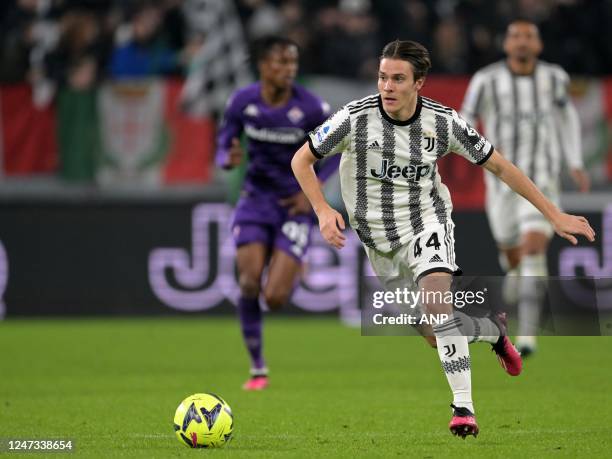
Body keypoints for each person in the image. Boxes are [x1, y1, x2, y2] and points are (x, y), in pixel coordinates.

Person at [291, 39, 595, 437]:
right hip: (378, 242)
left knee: (438, 303)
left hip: (427, 224)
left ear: (419, 82)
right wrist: (322, 210)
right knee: (436, 335)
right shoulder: (354, 118)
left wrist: (554, 214)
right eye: (383, 77)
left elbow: (500, 167)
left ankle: (463, 409)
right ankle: (492, 331)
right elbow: (302, 159)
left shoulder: (443, 122)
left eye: (398, 79)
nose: (387, 86)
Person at [460, 19, 590, 356]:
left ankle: (528, 336)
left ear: (538, 45)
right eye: (515, 36)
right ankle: (516, 280)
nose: (521, 42)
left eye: (528, 37)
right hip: (500, 183)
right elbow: (464, 118)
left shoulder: (554, 78)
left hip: (542, 180)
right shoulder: (486, 80)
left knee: (533, 249)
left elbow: (567, 118)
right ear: (506, 44)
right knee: (514, 259)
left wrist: (574, 160)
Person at [216, 36, 338, 391]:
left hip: (292, 205)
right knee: (249, 282)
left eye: (293, 63)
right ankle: (257, 368)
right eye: (281, 63)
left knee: (275, 298)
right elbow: (226, 140)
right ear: (263, 66)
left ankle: (293, 260)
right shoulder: (243, 101)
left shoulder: (311, 107)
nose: (289, 69)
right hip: (254, 200)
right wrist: (227, 157)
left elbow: (337, 152)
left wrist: (311, 195)